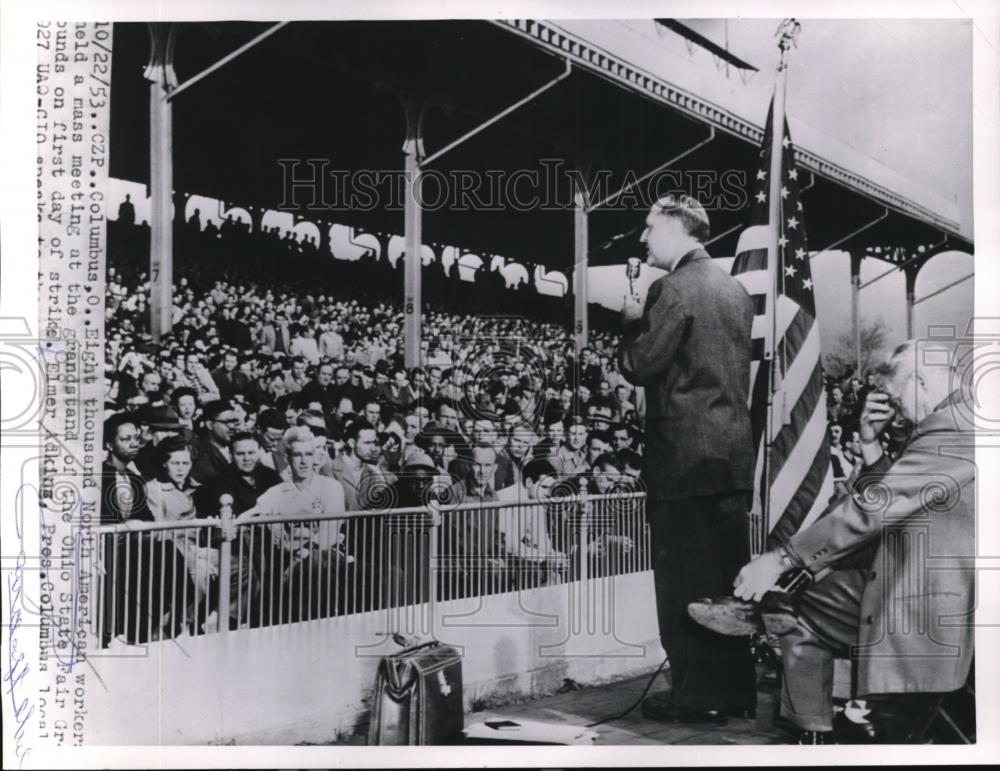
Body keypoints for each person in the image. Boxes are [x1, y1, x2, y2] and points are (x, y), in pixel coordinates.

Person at [733, 341, 975, 744]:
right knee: (813, 587)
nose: (897, 412)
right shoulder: (967, 420)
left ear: (919, 380)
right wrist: (869, 444)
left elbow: (871, 512)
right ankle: (837, 722)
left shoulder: (950, 430)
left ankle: (813, 734)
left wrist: (781, 559)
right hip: (950, 596)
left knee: (794, 602)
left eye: (898, 400)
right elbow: (902, 494)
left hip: (932, 611)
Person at [620, 193, 757, 724]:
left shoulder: (670, 289)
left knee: (684, 581)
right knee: (728, 583)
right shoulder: (736, 290)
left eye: (649, 229)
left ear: (675, 229)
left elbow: (640, 363)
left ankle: (696, 697)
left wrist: (631, 320)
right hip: (730, 461)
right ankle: (737, 690)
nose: (642, 239)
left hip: (682, 464)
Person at [238, 426, 350, 621]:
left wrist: (301, 556)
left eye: (308, 454)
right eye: (297, 455)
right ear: (288, 459)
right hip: (290, 562)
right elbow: (251, 514)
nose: (304, 461)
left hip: (326, 557)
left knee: (315, 561)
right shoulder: (277, 492)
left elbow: (330, 532)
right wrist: (230, 522)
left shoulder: (331, 487)